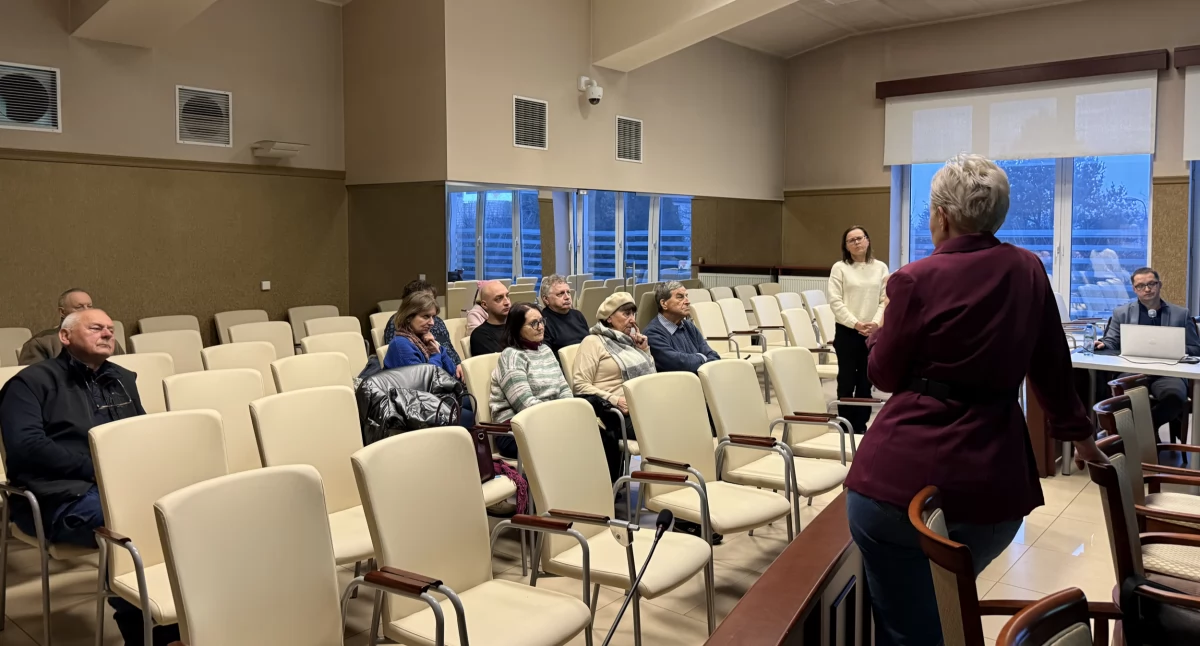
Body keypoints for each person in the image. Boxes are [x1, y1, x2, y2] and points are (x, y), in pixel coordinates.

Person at [845, 154, 1105, 646]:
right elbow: (1052, 366)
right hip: (995, 482)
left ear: (942, 216)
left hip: (902, 482)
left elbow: (883, 375)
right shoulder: (1028, 269)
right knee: (948, 605)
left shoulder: (915, 278)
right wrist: (1082, 439)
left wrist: (879, 334)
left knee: (909, 626)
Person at [0, 309, 179, 645]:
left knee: (182, 510)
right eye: (96, 328)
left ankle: (180, 621)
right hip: (59, 497)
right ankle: (149, 635)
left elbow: (141, 432)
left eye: (110, 328)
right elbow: (26, 448)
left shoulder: (122, 379)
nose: (108, 333)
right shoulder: (30, 384)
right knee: (135, 524)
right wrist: (100, 469)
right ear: (65, 336)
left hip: (121, 489)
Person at [1095, 267, 1200, 439]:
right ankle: (1148, 437)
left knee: (1175, 397)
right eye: (1141, 286)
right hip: (1132, 372)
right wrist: (1103, 344)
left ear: (1160, 285)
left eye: (1152, 284)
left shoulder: (1181, 314)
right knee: (1124, 396)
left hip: (1169, 373)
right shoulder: (1121, 313)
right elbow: (1111, 341)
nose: (1147, 289)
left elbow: (1195, 348)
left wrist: (1175, 348)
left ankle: (1142, 432)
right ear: (1134, 289)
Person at [572, 292, 655, 482]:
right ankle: (660, 484)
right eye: (626, 314)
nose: (632, 319)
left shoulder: (630, 341)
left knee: (679, 418)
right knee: (665, 426)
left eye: (633, 314)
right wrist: (614, 399)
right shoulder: (593, 342)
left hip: (639, 406)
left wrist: (644, 351)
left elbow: (651, 378)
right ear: (609, 318)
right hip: (615, 412)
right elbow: (579, 385)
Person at [489, 303, 572, 458]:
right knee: (566, 443)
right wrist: (559, 418)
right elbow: (524, 403)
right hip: (514, 429)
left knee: (593, 433)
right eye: (534, 323)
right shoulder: (511, 356)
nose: (541, 327)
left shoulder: (546, 350)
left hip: (548, 421)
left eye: (541, 321)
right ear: (517, 328)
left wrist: (568, 412)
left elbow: (564, 388)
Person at [828, 226, 889, 435]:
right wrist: (855, 323)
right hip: (847, 331)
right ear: (846, 246)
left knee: (865, 381)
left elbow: (884, 300)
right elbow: (835, 301)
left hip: (872, 332)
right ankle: (845, 427)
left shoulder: (880, 267)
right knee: (846, 381)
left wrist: (875, 324)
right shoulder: (840, 268)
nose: (856, 243)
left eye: (859, 238)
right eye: (851, 240)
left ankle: (861, 427)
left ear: (867, 240)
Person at [19, 288, 124, 365]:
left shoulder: (107, 339)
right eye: (79, 307)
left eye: (89, 306)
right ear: (62, 312)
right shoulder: (40, 344)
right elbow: (33, 382)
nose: (86, 311)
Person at [383, 279, 462, 378]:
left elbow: (452, 371)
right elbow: (427, 381)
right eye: (426, 316)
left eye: (433, 317)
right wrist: (435, 354)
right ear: (409, 317)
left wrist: (438, 349)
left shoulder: (425, 339)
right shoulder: (401, 344)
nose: (432, 323)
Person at [643, 281, 720, 373]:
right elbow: (678, 363)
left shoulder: (689, 326)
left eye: (686, 296)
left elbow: (713, 355)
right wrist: (702, 357)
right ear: (664, 304)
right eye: (680, 297)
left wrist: (702, 361)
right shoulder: (652, 333)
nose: (688, 301)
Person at [539, 274, 589, 355]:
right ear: (546, 299)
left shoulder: (578, 315)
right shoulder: (542, 322)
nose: (567, 297)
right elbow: (548, 355)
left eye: (568, 292)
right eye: (560, 294)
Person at [469, 280, 511, 357]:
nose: (507, 302)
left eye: (507, 296)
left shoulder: (516, 326)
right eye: (499, 298)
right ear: (485, 305)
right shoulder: (480, 336)